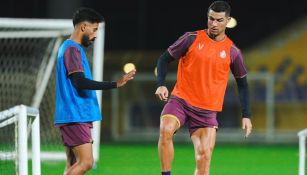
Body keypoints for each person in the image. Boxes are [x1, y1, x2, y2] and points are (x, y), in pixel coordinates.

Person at [155, 1, 252, 175]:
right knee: (165, 129)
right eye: (211, 19)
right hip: (181, 101)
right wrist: (161, 84)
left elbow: (243, 84)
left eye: (219, 20)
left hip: (207, 111)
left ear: (227, 20)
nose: (214, 24)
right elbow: (163, 59)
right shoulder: (190, 38)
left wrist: (246, 115)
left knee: (203, 158)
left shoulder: (232, 51)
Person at [54, 7, 136, 175]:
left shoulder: (70, 48)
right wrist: (115, 84)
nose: (96, 35)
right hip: (75, 115)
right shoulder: (72, 49)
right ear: (83, 27)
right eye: (94, 29)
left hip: (73, 115)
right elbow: (80, 82)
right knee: (86, 163)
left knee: (72, 165)